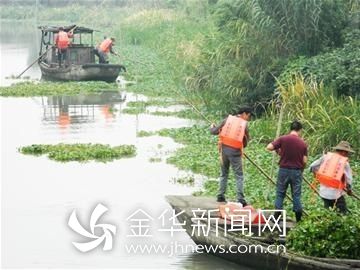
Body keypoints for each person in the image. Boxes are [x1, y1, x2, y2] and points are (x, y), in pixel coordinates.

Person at [266, 120, 308, 222]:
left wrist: (278, 151)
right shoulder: (303, 143)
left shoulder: (283, 139)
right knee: (296, 195)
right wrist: (301, 170)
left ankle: (277, 215)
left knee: (280, 193)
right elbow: (305, 161)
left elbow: (269, 147)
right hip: (296, 171)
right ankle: (298, 218)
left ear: (291, 129)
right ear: (300, 130)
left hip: (283, 170)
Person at [210, 106, 253, 206]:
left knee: (224, 174)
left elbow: (214, 131)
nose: (248, 118)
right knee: (239, 176)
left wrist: (212, 126)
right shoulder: (244, 125)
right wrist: (241, 146)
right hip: (235, 153)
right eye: (248, 116)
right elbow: (246, 141)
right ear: (244, 114)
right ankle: (240, 199)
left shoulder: (227, 120)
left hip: (224, 151)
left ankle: (220, 196)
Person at [309, 141, 354, 214]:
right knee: (343, 213)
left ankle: (329, 221)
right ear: (343, 152)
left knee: (328, 212)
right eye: (347, 152)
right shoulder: (345, 163)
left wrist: (317, 176)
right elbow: (349, 180)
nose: (347, 155)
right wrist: (349, 190)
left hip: (323, 193)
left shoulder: (325, 157)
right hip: (336, 195)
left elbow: (312, 167)